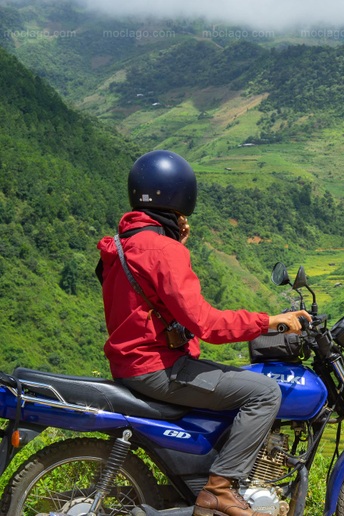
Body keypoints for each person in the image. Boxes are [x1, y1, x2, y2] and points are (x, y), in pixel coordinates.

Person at [97, 149, 311, 516]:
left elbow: (147, 296)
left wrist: (174, 243)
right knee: (263, 392)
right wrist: (269, 320)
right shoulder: (163, 251)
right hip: (159, 368)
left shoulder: (121, 245)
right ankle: (220, 489)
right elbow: (207, 324)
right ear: (177, 195)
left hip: (131, 363)